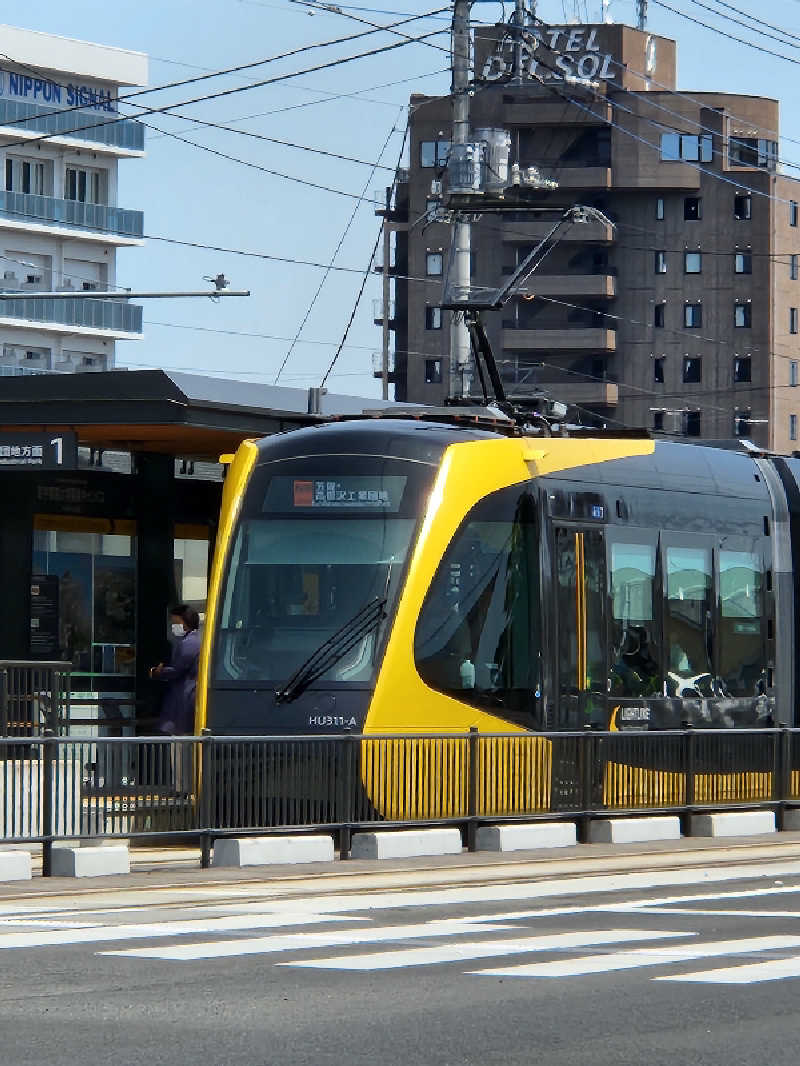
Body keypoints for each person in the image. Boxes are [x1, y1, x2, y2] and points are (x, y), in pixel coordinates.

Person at [150, 605, 201, 735]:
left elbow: (177, 670)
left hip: (183, 698)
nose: (173, 626)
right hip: (186, 696)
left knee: (180, 741)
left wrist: (157, 672)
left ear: (185, 623)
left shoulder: (188, 643)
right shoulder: (193, 641)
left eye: (175, 622)